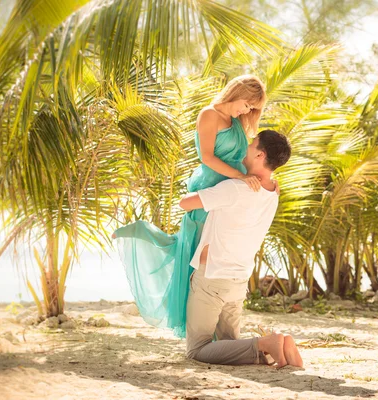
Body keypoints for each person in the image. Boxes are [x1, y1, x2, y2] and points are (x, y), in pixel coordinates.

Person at [112, 75, 268, 338]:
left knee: (202, 250)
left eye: (252, 108)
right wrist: (240, 177)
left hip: (229, 191)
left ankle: (216, 327)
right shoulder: (209, 114)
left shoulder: (236, 121)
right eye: (246, 104)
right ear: (236, 92)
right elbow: (206, 157)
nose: (247, 111)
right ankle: (143, 230)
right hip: (212, 186)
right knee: (194, 250)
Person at [179, 129, 302, 368]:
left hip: (213, 278)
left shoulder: (235, 188)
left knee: (197, 349)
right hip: (238, 281)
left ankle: (267, 344)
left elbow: (185, 203)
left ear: (260, 154)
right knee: (228, 345)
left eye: (251, 143)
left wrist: (208, 180)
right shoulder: (272, 193)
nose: (246, 147)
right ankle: (276, 347)